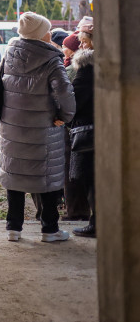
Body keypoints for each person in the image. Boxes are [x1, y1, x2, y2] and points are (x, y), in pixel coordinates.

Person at [0, 11, 76, 243]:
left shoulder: (10, 53)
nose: (50, 33)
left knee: (15, 175)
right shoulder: (52, 59)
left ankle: (13, 228)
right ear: (40, 34)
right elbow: (64, 92)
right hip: (44, 128)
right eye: (47, 29)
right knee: (48, 178)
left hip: (12, 127)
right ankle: (49, 229)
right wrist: (66, 115)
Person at [68, 45, 96, 237]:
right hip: (104, 132)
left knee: (90, 180)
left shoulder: (84, 74)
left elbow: (74, 105)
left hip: (88, 135)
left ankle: (96, 224)